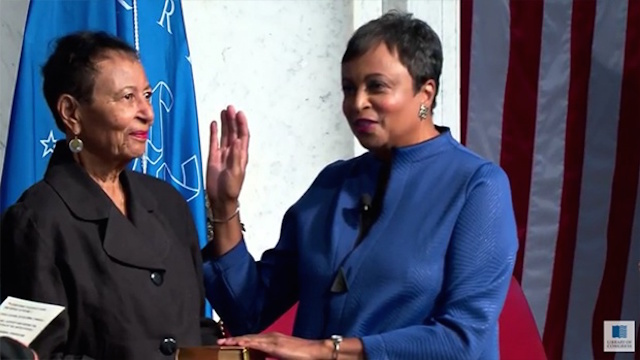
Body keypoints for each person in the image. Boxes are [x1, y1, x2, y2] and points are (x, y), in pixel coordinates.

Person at [203, 11, 518, 359]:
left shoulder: (477, 186)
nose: (357, 103)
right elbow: (250, 313)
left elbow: (464, 340)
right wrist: (225, 206)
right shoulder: (332, 184)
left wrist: (328, 350)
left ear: (425, 93)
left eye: (376, 86)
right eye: (349, 88)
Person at [0, 31, 220, 359]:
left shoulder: (168, 203)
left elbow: (196, 330)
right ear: (71, 113)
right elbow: (33, 354)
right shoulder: (38, 220)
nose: (148, 112)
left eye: (147, 95)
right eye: (128, 97)